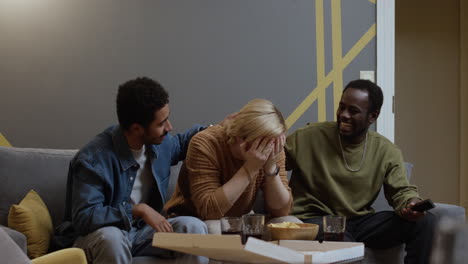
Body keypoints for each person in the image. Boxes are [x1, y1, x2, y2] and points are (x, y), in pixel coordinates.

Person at [57, 77, 210, 264]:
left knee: (193, 227)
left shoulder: (160, 145)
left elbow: (184, 142)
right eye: (161, 124)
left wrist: (218, 129)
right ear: (137, 128)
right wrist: (138, 210)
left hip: (141, 233)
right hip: (98, 237)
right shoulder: (93, 160)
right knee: (112, 238)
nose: (168, 128)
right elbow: (84, 218)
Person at [285, 79, 435, 264]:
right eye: (342, 107)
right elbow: (271, 164)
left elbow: (402, 191)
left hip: (361, 222)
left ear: (372, 116)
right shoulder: (308, 137)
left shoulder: (386, 150)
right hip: (318, 220)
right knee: (344, 244)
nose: (344, 115)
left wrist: (412, 204)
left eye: (353, 111)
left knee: (425, 222)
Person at [164, 99, 300, 227]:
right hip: (196, 219)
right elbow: (209, 211)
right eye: (262, 144)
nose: (267, 150)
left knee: (291, 223)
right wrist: (251, 167)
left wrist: (271, 168)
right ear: (241, 138)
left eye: (271, 144)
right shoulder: (205, 142)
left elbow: (282, 211)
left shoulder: (272, 147)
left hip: (239, 219)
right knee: (214, 227)